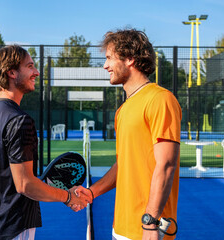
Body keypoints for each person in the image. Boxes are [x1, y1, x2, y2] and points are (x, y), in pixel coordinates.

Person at [0, 45, 91, 240]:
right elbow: (25, 185)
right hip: (14, 223)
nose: (36, 72)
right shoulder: (19, 120)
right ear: (12, 72)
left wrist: (3, 184)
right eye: (30, 66)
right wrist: (68, 197)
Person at [76, 29, 182, 240]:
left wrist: (150, 222)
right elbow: (123, 165)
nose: (105, 66)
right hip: (121, 227)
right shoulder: (122, 110)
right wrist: (92, 191)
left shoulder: (160, 100)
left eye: (109, 58)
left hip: (147, 229)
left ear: (130, 59)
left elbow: (166, 165)